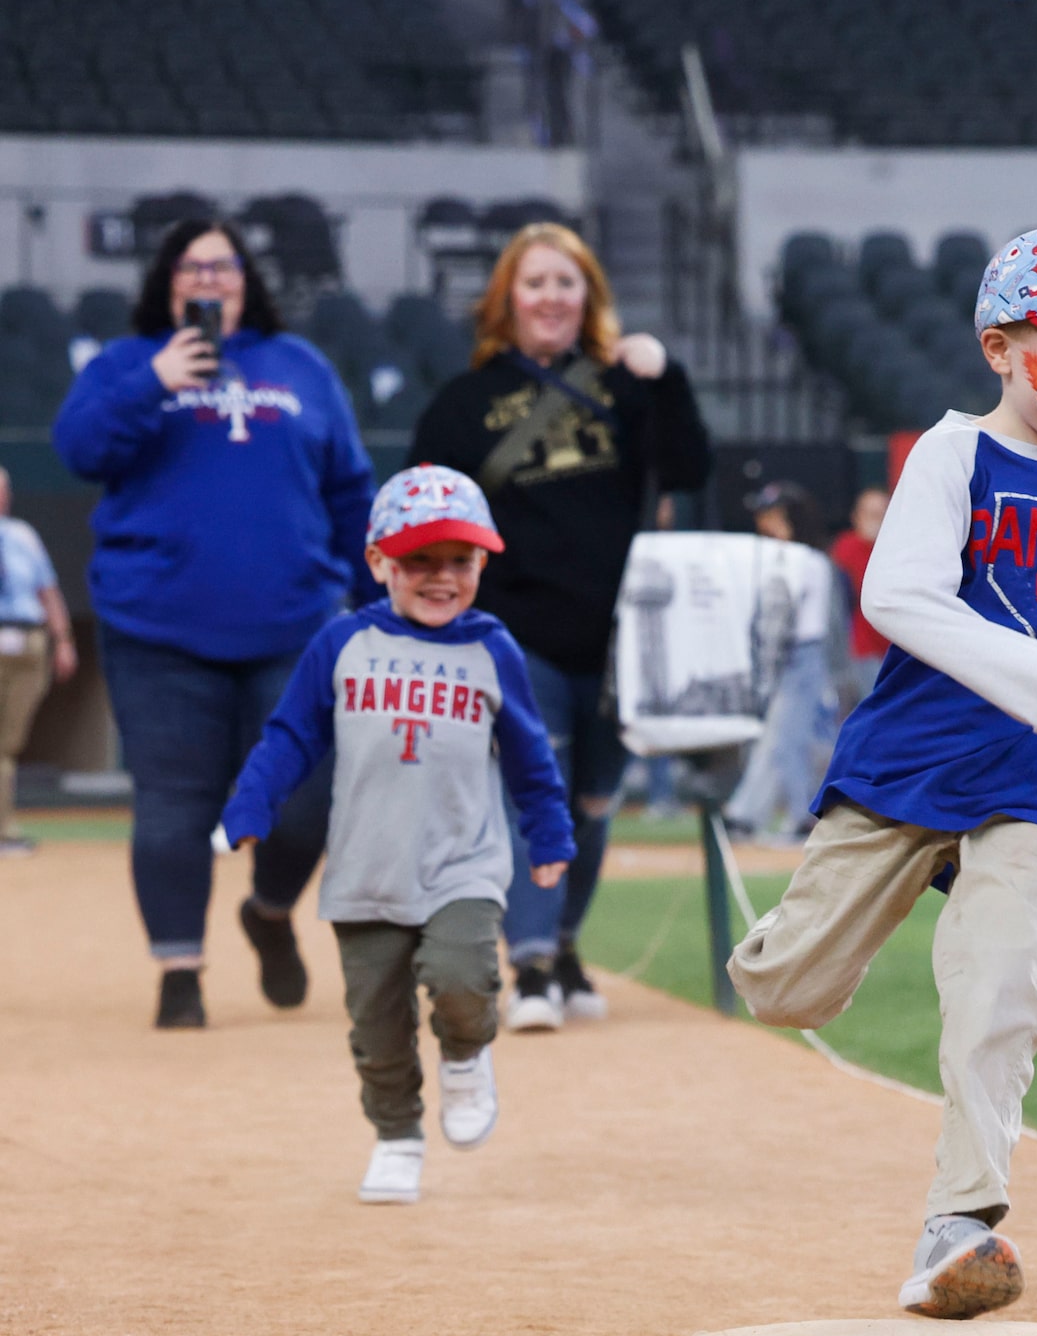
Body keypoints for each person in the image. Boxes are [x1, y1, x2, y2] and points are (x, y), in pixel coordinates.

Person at [727, 224, 1037, 1320]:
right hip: (913, 759)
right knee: (782, 988)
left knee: (997, 989)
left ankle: (961, 1227)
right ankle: (841, 915)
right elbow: (896, 601)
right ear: (1000, 348)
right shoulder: (949, 455)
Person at [217, 468, 574, 1204]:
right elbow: (290, 736)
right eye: (420, 560)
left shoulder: (493, 649)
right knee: (376, 1030)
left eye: (460, 561)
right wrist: (251, 804)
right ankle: (397, 1136)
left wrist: (549, 835)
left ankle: (467, 1056)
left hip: (462, 866)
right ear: (379, 561)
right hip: (366, 872)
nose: (441, 578)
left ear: (483, 565)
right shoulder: (342, 643)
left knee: (463, 979)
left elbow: (532, 756)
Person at [53, 217, 372, 1028]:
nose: (208, 278)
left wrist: (375, 607)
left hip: (294, 625)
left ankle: (267, 914)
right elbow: (79, 449)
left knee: (309, 797)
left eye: (223, 265)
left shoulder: (301, 367)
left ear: (245, 280)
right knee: (173, 802)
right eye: (192, 267)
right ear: (168, 284)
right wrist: (154, 379)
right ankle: (180, 975)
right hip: (158, 629)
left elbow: (349, 493)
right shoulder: (127, 365)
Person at [411, 221, 711, 1032]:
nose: (550, 297)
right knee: (533, 794)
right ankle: (533, 963)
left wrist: (668, 375)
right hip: (516, 631)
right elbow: (430, 513)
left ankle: (567, 944)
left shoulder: (623, 383)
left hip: (621, 637)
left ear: (589, 299)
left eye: (566, 283)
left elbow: (690, 468)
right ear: (508, 298)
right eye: (535, 282)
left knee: (595, 800)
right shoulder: (463, 403)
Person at [725, 481, 841, 847]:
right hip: (783, 658)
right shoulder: (783, 556)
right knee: (777, 742)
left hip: (802, 656)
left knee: (787, 743)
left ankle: (800, 818)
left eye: (773, 515)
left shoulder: (808, 560)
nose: (764, 522)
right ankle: (747, 815)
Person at [0, 465, 77, 856]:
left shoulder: (23, 536)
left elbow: (48, 592)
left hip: (26, 642)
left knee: (8, 745)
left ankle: (5, 831)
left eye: (3, 489)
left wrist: (62, 640)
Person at [832, 486, 891, 665]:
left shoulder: (898, 549)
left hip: (897, 645)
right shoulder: (846, 547)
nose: (876, 520)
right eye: (870, 514)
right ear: (857, 517)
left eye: (881, 514)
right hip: (864, 647)